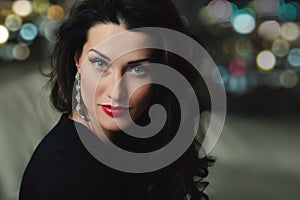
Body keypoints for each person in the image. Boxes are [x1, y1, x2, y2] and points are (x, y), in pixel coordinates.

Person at [19, 0, 213, 199]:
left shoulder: (133, 149)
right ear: (78, 60)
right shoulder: (61, 174)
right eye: (100, 63)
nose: (116, 91)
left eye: (137, 69)